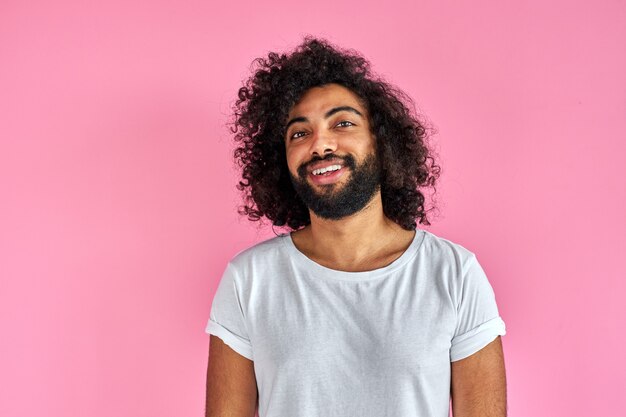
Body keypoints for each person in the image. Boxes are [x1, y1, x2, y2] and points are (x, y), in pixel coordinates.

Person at [204, 37, 507, 417]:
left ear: (382, 143)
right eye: (300, 133)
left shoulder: (455, 275)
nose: (320, 145)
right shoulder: (248, 280)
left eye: (342, 123)